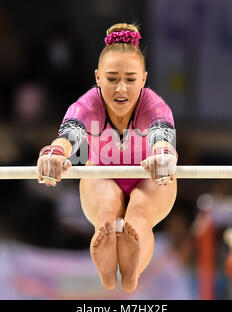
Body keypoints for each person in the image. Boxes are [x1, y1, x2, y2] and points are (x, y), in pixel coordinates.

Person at [36, 23, 178, 292]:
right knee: (107, 211)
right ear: (98, 77)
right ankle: (106, 265)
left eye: (130, 79)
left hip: (147, 177)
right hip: (102, 175)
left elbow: (163, 135)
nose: (121, 89)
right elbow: (69, 134)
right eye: (112, 79)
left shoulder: (154, 105)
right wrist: (55, 153)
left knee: (139, 214)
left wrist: (162, 154)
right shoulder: (88, 104)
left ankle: (132, 268)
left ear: (144, 79)